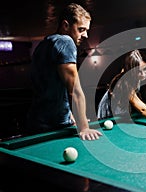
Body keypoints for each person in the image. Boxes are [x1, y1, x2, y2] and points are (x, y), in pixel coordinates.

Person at [26, 3, 102, 140]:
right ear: (66, 25)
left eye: (87, 30)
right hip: (55, 127)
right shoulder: (66, 42)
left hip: (36, 122)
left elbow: (52, 87)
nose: (85, 35)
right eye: (81, 29)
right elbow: (75, 90)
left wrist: (70, 115)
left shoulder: (43, 44)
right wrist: (84, 126)